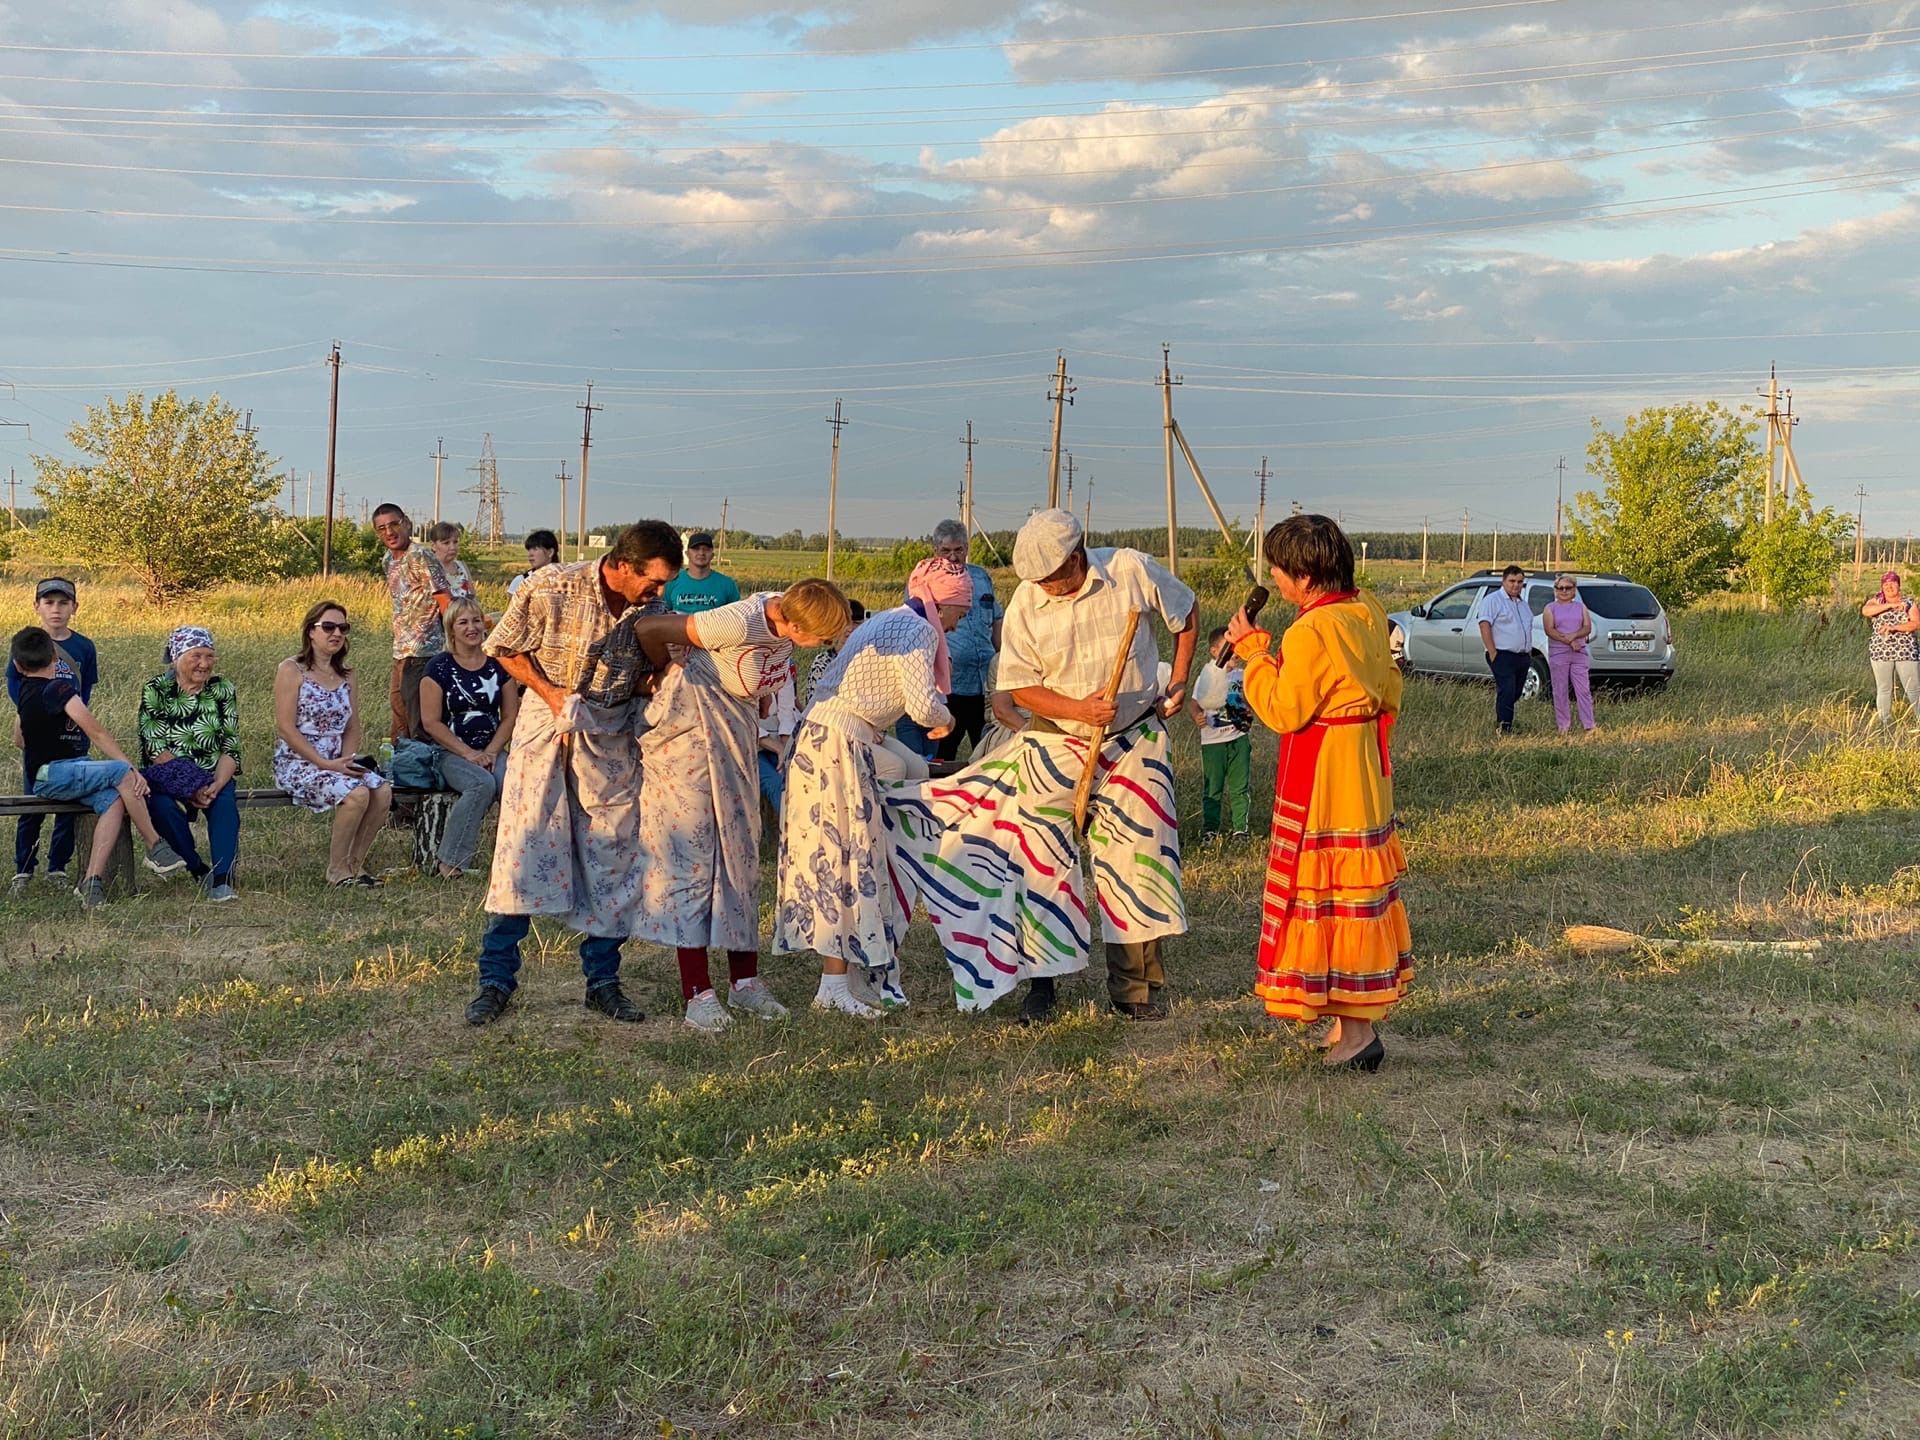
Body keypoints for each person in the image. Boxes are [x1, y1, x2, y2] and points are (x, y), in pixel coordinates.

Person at [895, 509, 1198, 1022]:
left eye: (1053, 579)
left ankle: (1134, 990)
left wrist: (1179, 679)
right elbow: (1018, 688)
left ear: (1077, 557)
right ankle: (1042, 985)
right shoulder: (1026, 605)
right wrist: (1078, 709)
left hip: (1134, 735)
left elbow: (1185, 614)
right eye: (1036, 582)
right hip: (1057, 737)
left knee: (1136, 858)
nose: (1045, 590)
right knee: (1038, 856)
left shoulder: (1130, 569)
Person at [463, 520, 684, 1027]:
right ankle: (495, 980)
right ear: (622, 565)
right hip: (547, 724)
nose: (658, 592)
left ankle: (603, 980)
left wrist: (666, 676)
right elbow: (505, 648)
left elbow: (650, 676)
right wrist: (549, 693)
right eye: (652, 581)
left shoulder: (653, 609)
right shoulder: (551, 585)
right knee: (523, 846)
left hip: (610, 734)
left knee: (614, 854)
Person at [1225, 514, 1411, 1072]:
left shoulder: (1310, 630)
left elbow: (1285, 709)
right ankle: (1346, 1019)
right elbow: (1388, 685)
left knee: (1330, 892)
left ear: (1305, 577)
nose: (1276, 582)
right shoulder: (1367, 609)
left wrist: (1255, 655)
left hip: (1327, 772)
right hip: (1363, 763)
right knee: (1356, 888)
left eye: (1280, 571)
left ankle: (1358, 1034)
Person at [632, 580, 850, 1033]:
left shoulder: (783, 620)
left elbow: (758, 675)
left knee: (741, 859)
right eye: (820, 639)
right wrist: (662, 673)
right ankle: (698, 992)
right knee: (692, 864)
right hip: (689, 739)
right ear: (792, 623)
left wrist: (758, 697)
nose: (823, 646)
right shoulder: (735, 621)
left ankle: (744, 982)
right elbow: (651, 628)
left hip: (736, 740)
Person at [775, 559, 965, 1017]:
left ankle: (848, 973)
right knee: (846, 857)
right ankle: (834, 986)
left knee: (843, 849)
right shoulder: (920, 631)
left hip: (830, 735)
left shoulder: (887, 618)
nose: (962, 619)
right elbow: (922, 706)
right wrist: (947, 719)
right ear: (945, 601)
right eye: (961, 608)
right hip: (837, 745)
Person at [9, 625, 177, 910]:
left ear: (17, 665)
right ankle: (155, 846)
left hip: (46, 775)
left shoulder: (24, 691)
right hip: (58, 773)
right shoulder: (60, 688)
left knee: (112, 801)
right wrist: (130, 767)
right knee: (122, 773)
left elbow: (18, 739)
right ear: (55, 659)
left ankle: (91, 882)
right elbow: (96, 732)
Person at [272, 601, 393, 887]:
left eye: (342, 627)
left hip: (337, 759)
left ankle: (356, 863)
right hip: (299, 761)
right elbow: (285, 728)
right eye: (328, 626)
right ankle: (336, 870)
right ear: (311, 632)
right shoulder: (292, 670)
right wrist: (324, 763)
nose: (336, 633)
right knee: (357, 795)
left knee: (382, 790)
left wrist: (347, 759)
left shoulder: (348, 675)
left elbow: (353, 724)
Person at [136, 626, 243, 902]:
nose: (204, 664)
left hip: (212, 775)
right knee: (161, 807)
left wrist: (216, 783)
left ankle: (222, 879)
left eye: (210, 656)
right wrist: (193, 787)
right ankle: (197, 868)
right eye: (196, 656)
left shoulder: (223, 689)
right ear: (176, 656)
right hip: (167, 776)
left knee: (224, 805)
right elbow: (155, 748)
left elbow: (230, 745)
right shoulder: (156, 689)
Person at [7, 577, 99, 895]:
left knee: (69, 805)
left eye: (63, 603)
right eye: (49, 603)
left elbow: (84, 689)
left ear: (74, 607)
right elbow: (14, 684)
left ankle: (58, 865)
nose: (56, 609)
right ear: (37, 607)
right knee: (34, 801)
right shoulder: (28, 642)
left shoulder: (84, 647)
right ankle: (24, 868)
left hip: (71, 734)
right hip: (38, 735)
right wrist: (28, 715)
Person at [418, 597, 519, 877]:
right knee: (481, 784)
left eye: (476, 621)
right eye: (463, 622)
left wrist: (490, 751)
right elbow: (430, 721)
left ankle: (516, 858)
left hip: (492, 748)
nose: (471, 628)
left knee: (515, 783)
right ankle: (450, 862)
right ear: (451, 630)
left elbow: (510, 715)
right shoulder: (438, 668)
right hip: (450, 752)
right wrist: (469, 754)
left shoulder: (498, 666)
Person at [898, 521, 1002, 762]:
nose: (954, 556)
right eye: (947, 551)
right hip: (950, 683)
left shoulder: (981, 577)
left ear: (967, 548)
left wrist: (1002, 658)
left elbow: (997, 619)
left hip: (983, 681)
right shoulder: (926, 580)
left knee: (987, 753)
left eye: (959, 549)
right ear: (936, 550)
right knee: (943, 752)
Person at [372, 503, 452, 743]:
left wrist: (455, 648)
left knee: (419, 719)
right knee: (399, 714)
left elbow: (445, 599)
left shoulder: (421, 556)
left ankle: (422, 772)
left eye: (394, 524)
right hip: (401, 650)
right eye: (382, 528)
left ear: (406, 523)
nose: (389, 532)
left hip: (424, 652)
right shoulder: (388, 560)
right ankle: (400, 768)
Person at [1188, 628, 1253, 840]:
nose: (1233, 652)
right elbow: (1194, 703)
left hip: (1238, 739)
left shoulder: (1242, 676)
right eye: (1227, 647)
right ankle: (1210, 830)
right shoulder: (1207, 677)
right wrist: (1197, 715)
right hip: (1213, 742)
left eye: (1235, 646)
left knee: (1239, 787)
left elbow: (1250, 700)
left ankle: (1240, 830)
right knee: (1213, 788)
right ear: (1214, 651)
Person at [1475, 564, 1533, 735]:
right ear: (1504, 581)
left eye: (1520, 582)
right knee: (1506, 690)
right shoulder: (1492, 601)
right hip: (1502, 654)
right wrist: (1493, 652)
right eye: (1512, 581)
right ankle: (1504, 728)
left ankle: (1504, 719)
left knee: (1515, 691)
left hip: (1521, 656)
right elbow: (1485, 625)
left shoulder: (1522, 604)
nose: (1516, 585)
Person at [1861, 570, 1920, 726]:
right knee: (1884, 688)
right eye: (1886, 584)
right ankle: (1885, 722)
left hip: (1906, 651)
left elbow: (1916, 623)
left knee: (1913, 689)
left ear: (1898, 585)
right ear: (1882, 587)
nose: (1889, 587)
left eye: (1892, 583)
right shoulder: (1876, 602)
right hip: (1881, 652)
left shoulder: (1909, 602)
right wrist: (1891, 605)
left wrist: (1895, 627)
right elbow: (1866, 611)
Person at [1543, 573, 1599, 736]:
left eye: (1568, 588)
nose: (1564, 591)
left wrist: (1574, 637)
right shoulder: (1550, 608)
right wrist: (1569, 642)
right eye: (1560, 588)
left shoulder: (1581, 607)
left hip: (1579, 653)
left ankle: (1589, 725)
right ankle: (1563, 725)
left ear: (1574, 589)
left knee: (1583, 690)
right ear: (1555, 590)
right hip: (1559, 654)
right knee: (1560, 690)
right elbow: (1550, 630)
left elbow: (1587, 627)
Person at [663, 531, 741, 615]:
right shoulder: (672, 582)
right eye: (696, 549)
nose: (701, 553)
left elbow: (736, 617)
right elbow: (663, 616)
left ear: (712, 555)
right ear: (687, 553)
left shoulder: (728, 585)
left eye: (706, 549)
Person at [757, 671, 797, 813]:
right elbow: (739, 719)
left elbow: (787, 713)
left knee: (796, 776)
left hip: (779, 738)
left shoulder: (781, 662)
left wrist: (785, 752)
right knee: (775, 783)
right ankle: (793, 830)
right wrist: (778, 749)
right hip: (748, 742)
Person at [426, 522, 477, 601]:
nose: (453, 547)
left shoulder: (462, 566)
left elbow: (473, 597)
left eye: (455, 542)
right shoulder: (429, 570)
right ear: (433, 546)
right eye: (446, 543)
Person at [506, 530, 559, 599]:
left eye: (535, 549)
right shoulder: (521, 581)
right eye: (529, 550)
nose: (530, 554)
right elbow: (513, 609)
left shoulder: (567, 580)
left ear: (550, 552)